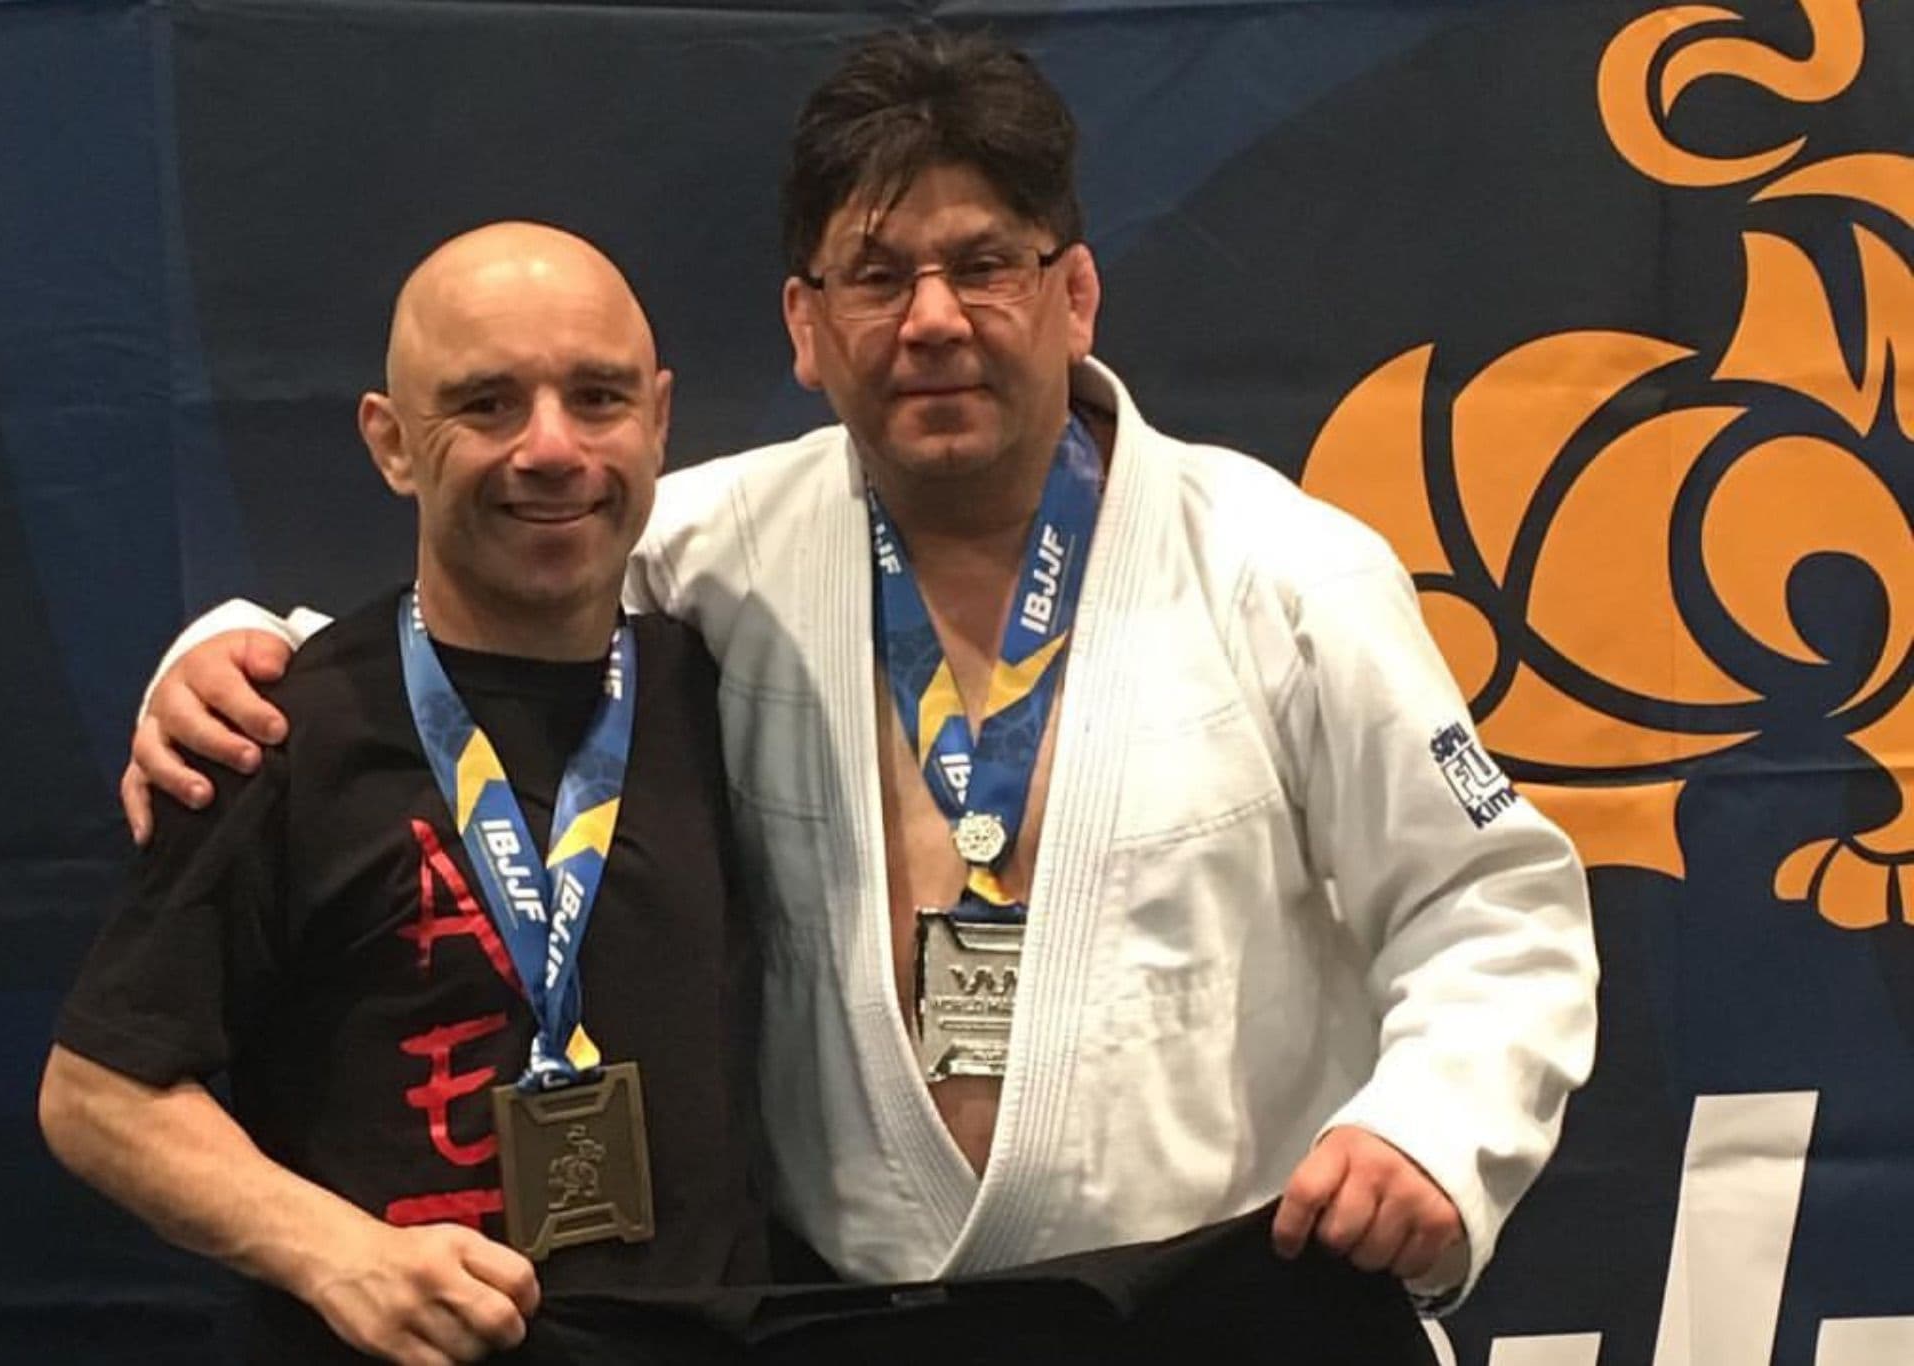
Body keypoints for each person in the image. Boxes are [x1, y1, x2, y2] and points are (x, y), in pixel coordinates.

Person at [125, 27, 1598, 1345]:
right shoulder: (719, 548)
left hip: (1209, 1296)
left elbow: (1490, 902)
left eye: (986, 263)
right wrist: (239, 642)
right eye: (878, 275)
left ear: (1075, 293)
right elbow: (487, 596)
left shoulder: (1288, 569)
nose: (935, 317)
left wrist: (1435, 1129)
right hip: (851, 1305)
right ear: (804, 326)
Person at [41, 222, 767, 1366]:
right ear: (390, 442)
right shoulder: (276, 728)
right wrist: (335, 1251)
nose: (550, 447)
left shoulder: (727, 694)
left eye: (597, 397)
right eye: (485, 404)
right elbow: (95, 1094)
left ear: (660, 418)